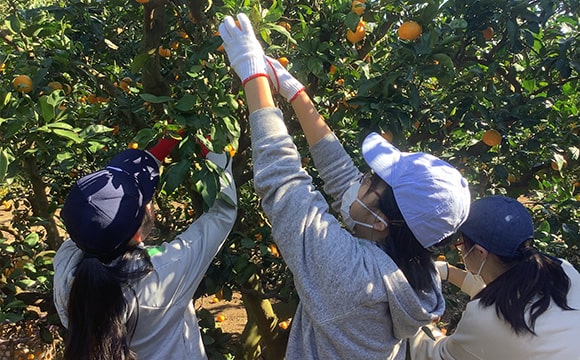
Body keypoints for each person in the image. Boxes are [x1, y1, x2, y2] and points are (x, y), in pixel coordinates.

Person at [218, 13, 471, 359]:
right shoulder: (411, 266)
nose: (361, 179)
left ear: (382, 221)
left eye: (371, 182)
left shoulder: (354, 279)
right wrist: (296, 94)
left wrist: (253, 73)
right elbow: (341, 176)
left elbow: (283, 183)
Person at [53, 134, 237, 359]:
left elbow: (97, 212)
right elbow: (222, 213)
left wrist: (163, 146)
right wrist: (213, 149)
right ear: (141, 227)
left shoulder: (66, 264)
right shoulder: (165, 271)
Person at [410, 195, 580, 359]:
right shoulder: (562, 270)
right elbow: (497, 292)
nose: (460, 251)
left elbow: (437, 355)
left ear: (479, 251)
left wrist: (413, 314)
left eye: (461, 244)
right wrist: (446, 271)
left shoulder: (484, 320)